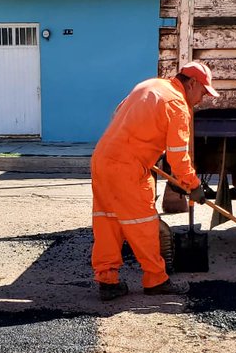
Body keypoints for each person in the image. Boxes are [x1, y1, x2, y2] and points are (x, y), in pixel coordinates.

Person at [90, 62, 218, 301]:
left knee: (108, 221)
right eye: (203, 92)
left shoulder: (150, 85)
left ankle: (107, 281)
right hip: (127, 168)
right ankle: (155, 280)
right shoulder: (178, 105)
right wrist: (193, 186)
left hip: (102, 159)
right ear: (191, 84)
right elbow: (179, 156)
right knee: (144, 224)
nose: (202, 99)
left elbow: (118, 114)